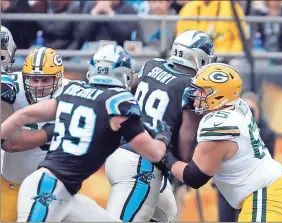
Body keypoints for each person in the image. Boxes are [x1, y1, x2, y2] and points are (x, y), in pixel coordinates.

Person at [0, 44, 171, 222]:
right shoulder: (118, 105)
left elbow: (23, 115)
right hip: (47, 189)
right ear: (125, 75)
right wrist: (162, 135)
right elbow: (155, 153)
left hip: (65, 193)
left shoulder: (73, 92)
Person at [161, 63, 282, 222]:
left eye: (202, 90)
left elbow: (194, 177)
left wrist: (164, 155)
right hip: (279, 190)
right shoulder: (236, 105)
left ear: (219, 96)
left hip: (267, 196)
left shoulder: (219, 125)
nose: (195, 94)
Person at [105, 30, 215, 222]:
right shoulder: (190, 87)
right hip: (142, 163)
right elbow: (186, 136)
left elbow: (127, 84)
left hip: (123, 153)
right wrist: (184, 164)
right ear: (200, 58)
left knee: (168, 216)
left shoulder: (151, 64)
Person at [1, 46, 72, 222]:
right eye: (34, 80)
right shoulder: (10, 86)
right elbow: (10, 142)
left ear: (59, 78)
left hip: (57, 187)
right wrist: (50, 132)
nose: (38, 86)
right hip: (13, 183)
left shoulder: (74, 92)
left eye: (45, 80)